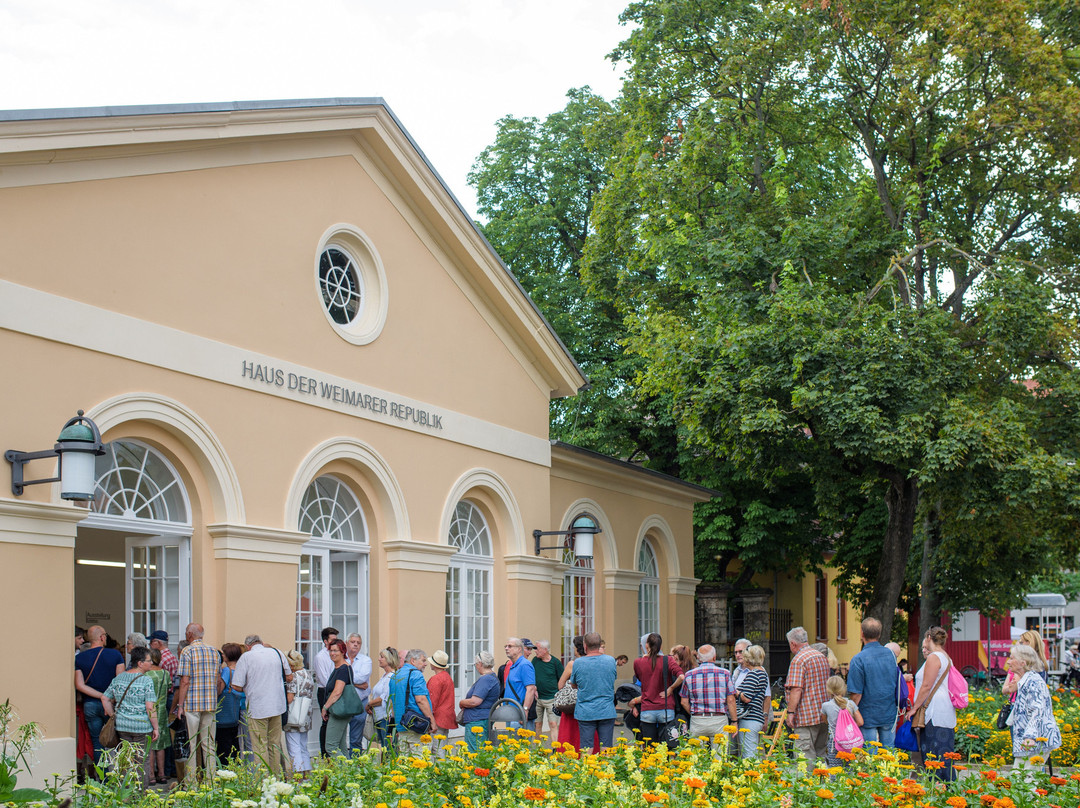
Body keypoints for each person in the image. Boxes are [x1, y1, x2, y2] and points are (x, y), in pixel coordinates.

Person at [231, 634, 293, 776]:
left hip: (258, 707)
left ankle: (263, 780)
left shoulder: (246, 657)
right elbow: (289, 676)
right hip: (277, 706)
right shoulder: (276, 653)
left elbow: (236, 685)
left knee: (260, 747)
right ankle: (275, 778)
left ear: (247, 646)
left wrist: (250, 685)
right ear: (261, 642)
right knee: (274, 745)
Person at [101, 646, 160, 788]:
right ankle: (140, 794)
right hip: (141, 728)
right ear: (140, 663)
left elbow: (104, 698)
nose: (151, 663)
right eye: (149, 660)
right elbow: (150, 707)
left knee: (125, 760)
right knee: (141, 762)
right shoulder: (146, 681)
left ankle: (125, 793)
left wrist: (113, 715)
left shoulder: (119, 678)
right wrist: (156, 727)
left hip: (122, 727)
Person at [905, 626, 956, 781]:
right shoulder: (946, 657)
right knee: (943, 755)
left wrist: (914, 708)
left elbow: (926, 686)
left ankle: (941, 789)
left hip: (935, 711)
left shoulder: (934, 657)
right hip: (944, 711)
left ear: (928, 638)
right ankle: (946, 789)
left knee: (935, 755)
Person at [175, 623, 223, 785]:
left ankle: (191, 782)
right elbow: (217, 680)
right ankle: (210, 780)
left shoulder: (187, 651)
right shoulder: (214, 652)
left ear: (189, 634)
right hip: (210, 703)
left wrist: (180, 705)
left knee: (191, 744)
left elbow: (185, 681)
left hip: (192, 704)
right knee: (209, 743)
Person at [75, 625, 126, 766]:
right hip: (111, 704)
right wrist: (108, 698)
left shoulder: (80, 658)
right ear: (102, 637)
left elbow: (79, 685)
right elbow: (120, 681)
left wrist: (100, 696)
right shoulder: (115, 655)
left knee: (97, 742)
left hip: (90, 704)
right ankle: (117, 774)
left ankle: (103, 777)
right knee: (116, 740)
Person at [847, 617, 900, 749]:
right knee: (889, 755)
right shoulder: (891, 655)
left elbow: (856, 694)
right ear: (879, 634)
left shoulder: (858, 659)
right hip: (888, 711)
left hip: (867, 714)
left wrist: (850, 712)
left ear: (862, 634)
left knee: (870, 756)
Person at [1008, 643, 1062, 773]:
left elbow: (1037, 711)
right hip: (1029, 741)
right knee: (1021, 779)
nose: (1008, 662)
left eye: (1011, 658)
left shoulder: (1033, 682)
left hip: (1035, 741)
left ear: (1023, 662)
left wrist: (1030, 737)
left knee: (1025, 781)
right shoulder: (1027, 680)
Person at [784, 627, 831, 761]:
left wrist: (791, 713)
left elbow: (796, 689)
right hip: (823, 715)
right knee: (820, 754)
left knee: (804, 757)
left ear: (793, 644)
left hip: (806, 717)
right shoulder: (820, 656)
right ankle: (822, 781)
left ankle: (807, 781)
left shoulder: (799, 660)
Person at [631, 633, 684, 747]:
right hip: (665, 707)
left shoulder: (638, 662)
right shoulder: (668, 660)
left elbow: (640, 678)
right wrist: (670, 688)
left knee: (649, 746)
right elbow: (681, 676)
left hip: (647, 707)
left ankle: (651, 764)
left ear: (647, 646)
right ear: (661, 646)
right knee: (665, 746)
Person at [679, 645, 737, 743]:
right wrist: (734, 721)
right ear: (714, 657)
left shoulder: (689, 675)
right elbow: (731, 700)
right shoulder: (725, 674)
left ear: (698, 658)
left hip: (698, 719)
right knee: (720, 755)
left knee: (697, 755)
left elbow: (684, 702)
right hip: (719, 719)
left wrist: (695, 712)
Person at [570, 632, 618, 750]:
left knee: (587, 748)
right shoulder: (610, 661)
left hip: (586, 710)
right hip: (606, 709)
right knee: (606, 747)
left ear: (585, 645)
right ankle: (606, 768)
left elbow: (574, 684)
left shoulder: (578, 663)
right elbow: (613, 679)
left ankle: (587, 768)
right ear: (599, 644)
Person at [390, 649, 436, 755]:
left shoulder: (395, 676)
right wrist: (432, 721)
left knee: (405, 763)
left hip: (401, 725)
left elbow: (392, 703)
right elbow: (421, 700)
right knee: (420, 762)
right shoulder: (416, 674)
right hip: (416, 725)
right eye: (423, 660)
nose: (425, 664)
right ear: (412, 661)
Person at [557, 636, 596, 752]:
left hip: (573, 705)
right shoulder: (594, 662)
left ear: (578, 648)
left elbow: (560, 685)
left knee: (570, 734)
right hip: (590, 703)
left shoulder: (573, 664)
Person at [459, 650, 500, 750]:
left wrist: (462, 702)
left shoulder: (486, 679)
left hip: (477, 720)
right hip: (482, 718)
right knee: (480, 750)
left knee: (474, 751)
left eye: (475, 664)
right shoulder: (492, 677)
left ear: (480, 664)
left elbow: (475, 701)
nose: (476, 666)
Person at [733, 645, 769, 758]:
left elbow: (746, 697)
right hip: (757, 717)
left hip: (749, 718)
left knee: (749, 754)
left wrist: (734, 691)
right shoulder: (762, 673)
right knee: (753, 752)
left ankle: (752, 774)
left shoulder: (753, 674)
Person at [320, 639, 354, 757]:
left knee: (330, 746)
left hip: (339, 711)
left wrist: (325, 707)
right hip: (340, 711)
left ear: (342, 652)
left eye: (336, 651)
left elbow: (337, 692)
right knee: (341, 746)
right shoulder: (339, 668)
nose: (332, 653)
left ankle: (347, 771)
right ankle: (349, 772)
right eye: (331, 651)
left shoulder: (343, 669)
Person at [820, 675, 862, 767]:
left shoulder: (826, 706)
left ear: (828, 690)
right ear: (843, 688)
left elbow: (825, 721)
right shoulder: (851, 703)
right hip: (850, 743)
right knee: (850, 770)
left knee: (835, 772)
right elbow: (860, 722)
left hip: (835, 743)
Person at [284, 649, 314, 776]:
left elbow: (290, 699)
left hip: (293, 716)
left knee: (294, 748)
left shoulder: (293, 677)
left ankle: (298, 777)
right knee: (303, 747)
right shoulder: (307, 674)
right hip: (305, 716)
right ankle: (306, 775)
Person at [145, 648, 171, 785]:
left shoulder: (146, 674)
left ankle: (151, 775)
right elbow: (169, 688)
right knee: (161, 744)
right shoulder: (165, 673)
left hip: (149, 710)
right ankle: (161, 773)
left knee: (150, 743)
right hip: (162, 711)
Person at [216, 643, 245, 762]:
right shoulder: (240, 668)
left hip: (224, 713)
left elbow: (219, 690)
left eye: (223, 653)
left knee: (224, 743)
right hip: (236, 710)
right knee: (235, 741)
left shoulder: (226, 671)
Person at [312, 626, 339, 755]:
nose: (335, 642)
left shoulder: (336, 654)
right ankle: (325, 753)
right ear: (325, 641)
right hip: (325, 691)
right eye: (332, 639)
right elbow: (324, 679)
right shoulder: (320, 657)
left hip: (336, 690)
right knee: (326, 722)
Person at [365, 647, 399, 747]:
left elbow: (384, 698)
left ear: (389, 659)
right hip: (379, 716)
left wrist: (369, 704)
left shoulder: (391, 676)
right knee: (384, 746)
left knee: (388, 746)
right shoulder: (384, 676)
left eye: (382, 657)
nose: (379, 659)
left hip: (385, 717)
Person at [531, 640, 565, 740]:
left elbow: (562, 679)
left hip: (551, 698)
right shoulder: (535, 661)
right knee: (537, 724)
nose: (535, 651)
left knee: (553, 724)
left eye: (537, 649)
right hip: (537, 699)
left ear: (545, 650)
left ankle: (555, 749)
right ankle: (538, 749)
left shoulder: (555, 662)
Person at [345, 633, 371, 756]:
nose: (355, 644)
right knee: (340, 737)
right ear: (346, 643)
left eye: (358, 642)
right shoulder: (340, 658)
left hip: (360, 702)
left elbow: (362, 678)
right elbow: (334, 678)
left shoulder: (365, 660)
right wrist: (358, 684)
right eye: (353, 641)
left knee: (356, 737)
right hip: (343, 702)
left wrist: (344, 679)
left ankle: (355, 765)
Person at [502, 637, 537, 730]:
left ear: (519, 649)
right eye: (506, 646)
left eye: (510, 646)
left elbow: (530, 689)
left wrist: (525, 710)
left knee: (521, 743)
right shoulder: (514, 665)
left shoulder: (525, 665)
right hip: (510, 713)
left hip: (519, 713)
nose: (506, 648)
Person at [427, 650, 457, 752]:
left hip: (438, 718)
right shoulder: (447, 677)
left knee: (437, 748)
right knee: (443, 746)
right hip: (447, 717)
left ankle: (439, 767)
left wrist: (429, 717)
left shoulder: (436, 679)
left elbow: (432, 702)